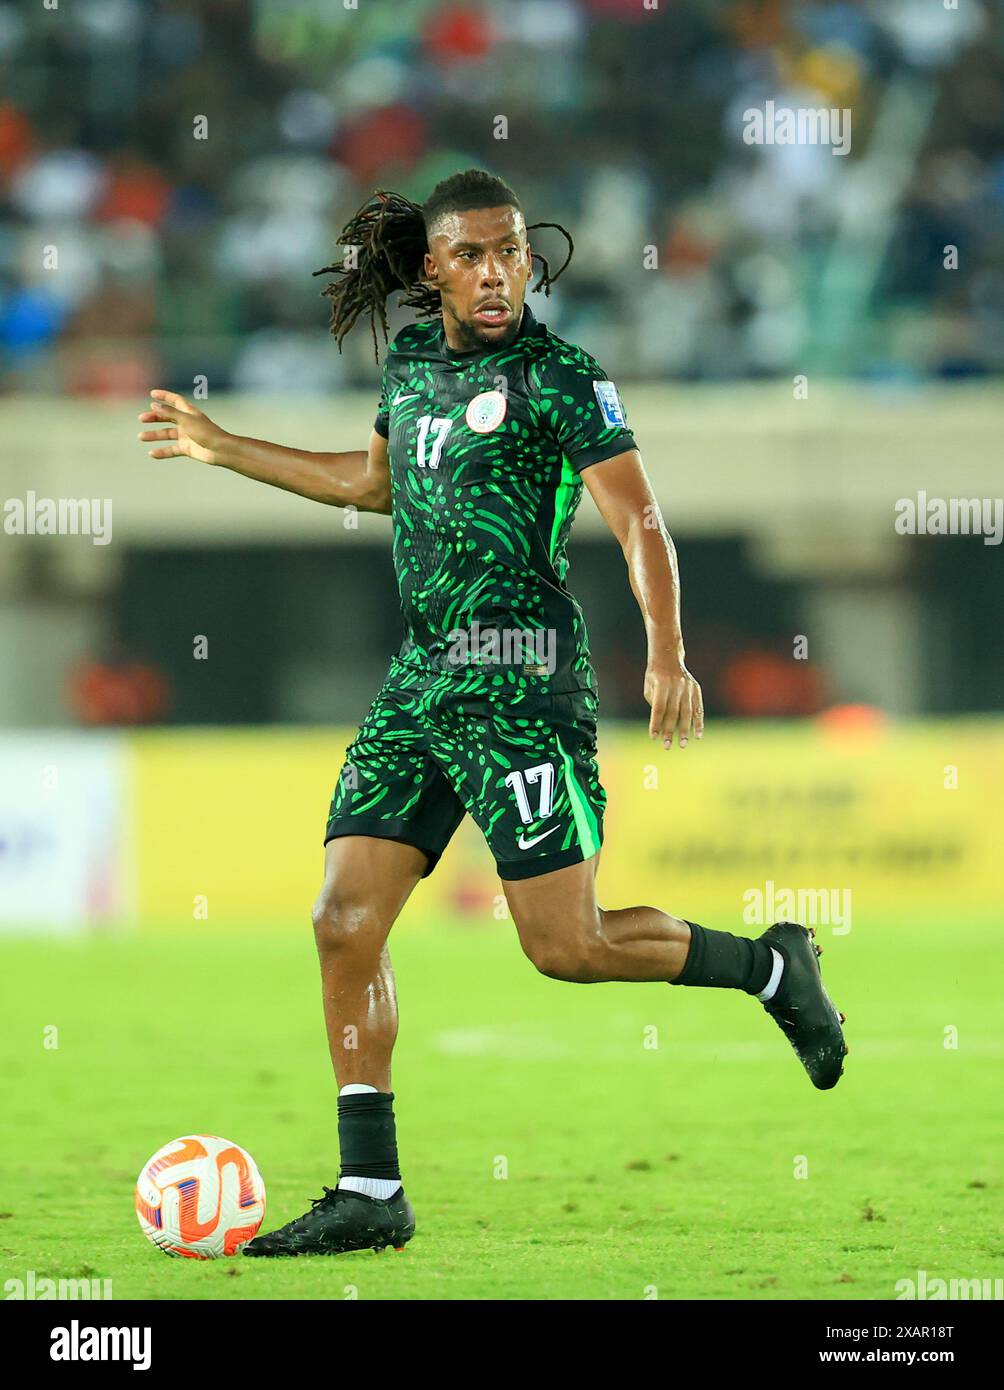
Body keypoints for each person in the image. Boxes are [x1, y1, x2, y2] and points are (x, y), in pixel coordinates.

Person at [137, 169, 846, 1259]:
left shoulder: (560, 377)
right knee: (341, 921)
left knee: (565, 947)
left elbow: (640, 522)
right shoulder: (412, 362)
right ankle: (370, 1188)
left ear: (529, 258)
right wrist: (226, 445)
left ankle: (767, 965)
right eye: (468, 253)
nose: (493, 272)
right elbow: (372, 487)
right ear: (430, 268)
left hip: (518, 683)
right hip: (422, 681)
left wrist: (666, 655)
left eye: (509, 250)